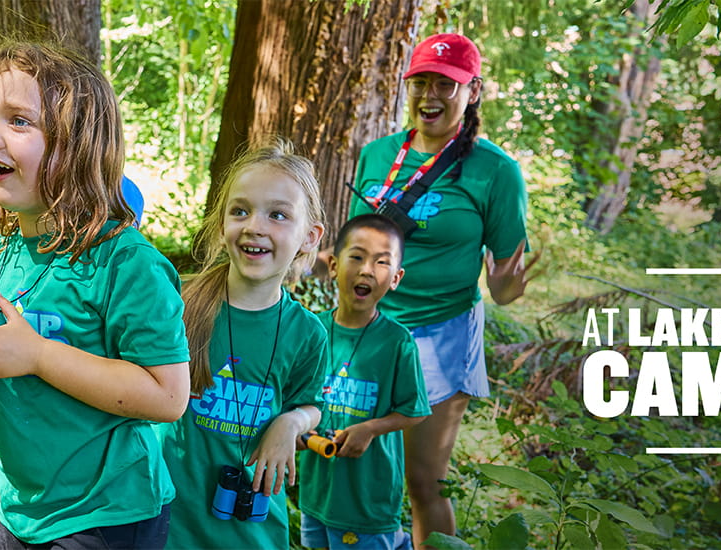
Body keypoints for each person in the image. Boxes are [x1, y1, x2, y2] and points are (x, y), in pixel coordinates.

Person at [0, 41, 190, 550]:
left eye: (19, 121)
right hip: (24, 507)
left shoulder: (125, 265)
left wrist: (39, 355)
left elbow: (168, 396)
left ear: (79, 145)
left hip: (107, 513)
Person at [344, 33, 540, 547]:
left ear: (472, 91)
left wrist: (504, 285)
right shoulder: (377, 154)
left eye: (446, 85)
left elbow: (503, 286)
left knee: (423, 480)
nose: (431, 94)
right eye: (422, 81)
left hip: (440, 333)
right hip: (367, 331)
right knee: (357, 467)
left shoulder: (496, 171)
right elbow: (356, 245)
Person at [0, 174, 150, 550]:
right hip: (27, 489)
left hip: (99, 492)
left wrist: (38, 355)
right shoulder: (2, 261)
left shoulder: (122, 270)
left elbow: (160, 391)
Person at [159, 139, 331, 549]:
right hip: (168, 527)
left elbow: (311, 405)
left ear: (309, 236)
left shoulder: (307, 333)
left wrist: (291, 422)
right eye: (240, 211)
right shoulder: (176, 304)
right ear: (221, 224)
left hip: (251, 532)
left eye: (277, 215)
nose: (255, 226)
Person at [297, 214, 430, 550]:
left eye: (381, 262)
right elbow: (295, 399)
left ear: (396, 278)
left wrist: (370, 429)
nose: (367, 270)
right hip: (317, 494)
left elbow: (415, 411)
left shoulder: (396, 342)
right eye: (356, 257)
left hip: (368, 501)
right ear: (332, 265)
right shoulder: (312, 332)